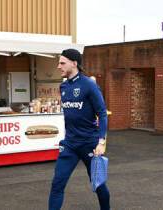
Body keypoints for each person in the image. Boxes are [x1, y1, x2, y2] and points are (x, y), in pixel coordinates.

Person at [48, 49, 110, 210]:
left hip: (89, 143)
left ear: (74, 63)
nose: (58, 66)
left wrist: (101, 142)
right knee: (57, 184)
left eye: (62, 63)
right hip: (69, 144)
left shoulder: (89, 84)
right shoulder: (63, 86)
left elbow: (102, 114)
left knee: (98, 184)